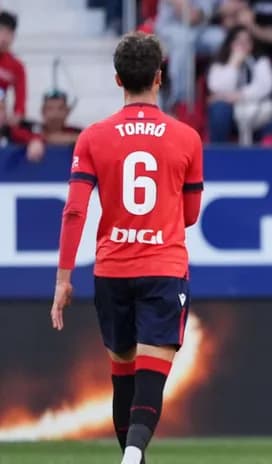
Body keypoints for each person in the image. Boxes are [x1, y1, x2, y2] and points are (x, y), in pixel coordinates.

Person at [50, 33, 204, 464]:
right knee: (152, 376)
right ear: (159, 78)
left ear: (118, 80)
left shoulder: (93, 138)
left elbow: (75, 213)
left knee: (123, 376)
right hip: (163, 267)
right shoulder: (187, 138)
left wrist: (63, 279)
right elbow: (190, 215)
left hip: (112, 271)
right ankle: (134, 454)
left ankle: (131, 455)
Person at [206, 26, 272, 145]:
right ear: (230, 43)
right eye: (238, 41)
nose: (243, 44)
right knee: (219, 110)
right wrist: (234, 63)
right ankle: (218, 155)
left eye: (247, 41)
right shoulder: (219, 62)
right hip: (231, 114)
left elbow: (265, 86)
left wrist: (239, 96)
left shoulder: (260, 60)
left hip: (256, 112)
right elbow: (216, 87)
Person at [0, 11, 26, 125]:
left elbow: (20, 103)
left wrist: (17, 115)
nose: (4, 38)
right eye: (0, 31)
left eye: (9, 33)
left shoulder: (16, 66)